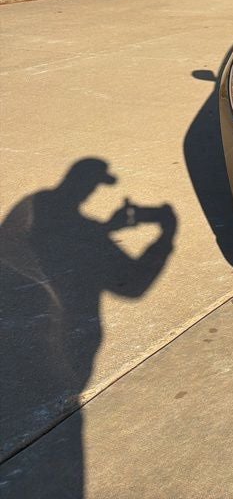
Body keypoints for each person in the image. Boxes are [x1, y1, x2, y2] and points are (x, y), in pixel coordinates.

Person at [0, 158, 175, 495]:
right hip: (57, 367)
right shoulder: (72, 226)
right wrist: (167, 233)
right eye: (95, 184)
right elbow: (133, 285)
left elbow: (47, 240)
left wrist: (105, 230)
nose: (94, 191)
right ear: (85, 184)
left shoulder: (31, 209)